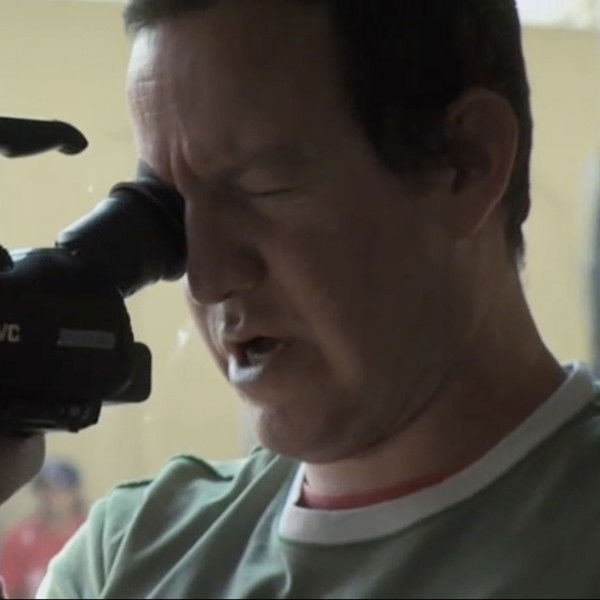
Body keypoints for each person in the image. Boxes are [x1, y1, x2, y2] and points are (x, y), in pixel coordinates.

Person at [2, 0, 600, 597]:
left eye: (259, 186)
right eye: (170, 209)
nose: (206, 278)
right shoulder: (128, 557)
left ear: (467, 162)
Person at [0, 459, 85, 599]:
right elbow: (8, 590)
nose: (51, 497)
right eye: (45, 489)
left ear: (74, 492)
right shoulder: (20, 540)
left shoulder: (91, 535)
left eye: (59, 489)